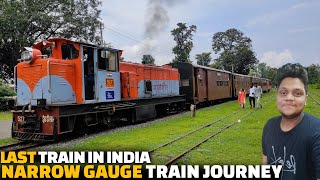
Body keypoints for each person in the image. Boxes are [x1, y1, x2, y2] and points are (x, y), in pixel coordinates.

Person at [262, 63, 320, 180]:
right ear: (277, 96)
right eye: (283, 93)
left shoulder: (316, 132)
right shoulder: (269, 126)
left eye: (297, 93)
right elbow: (265, 161)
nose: (289, 98)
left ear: (306, 99)